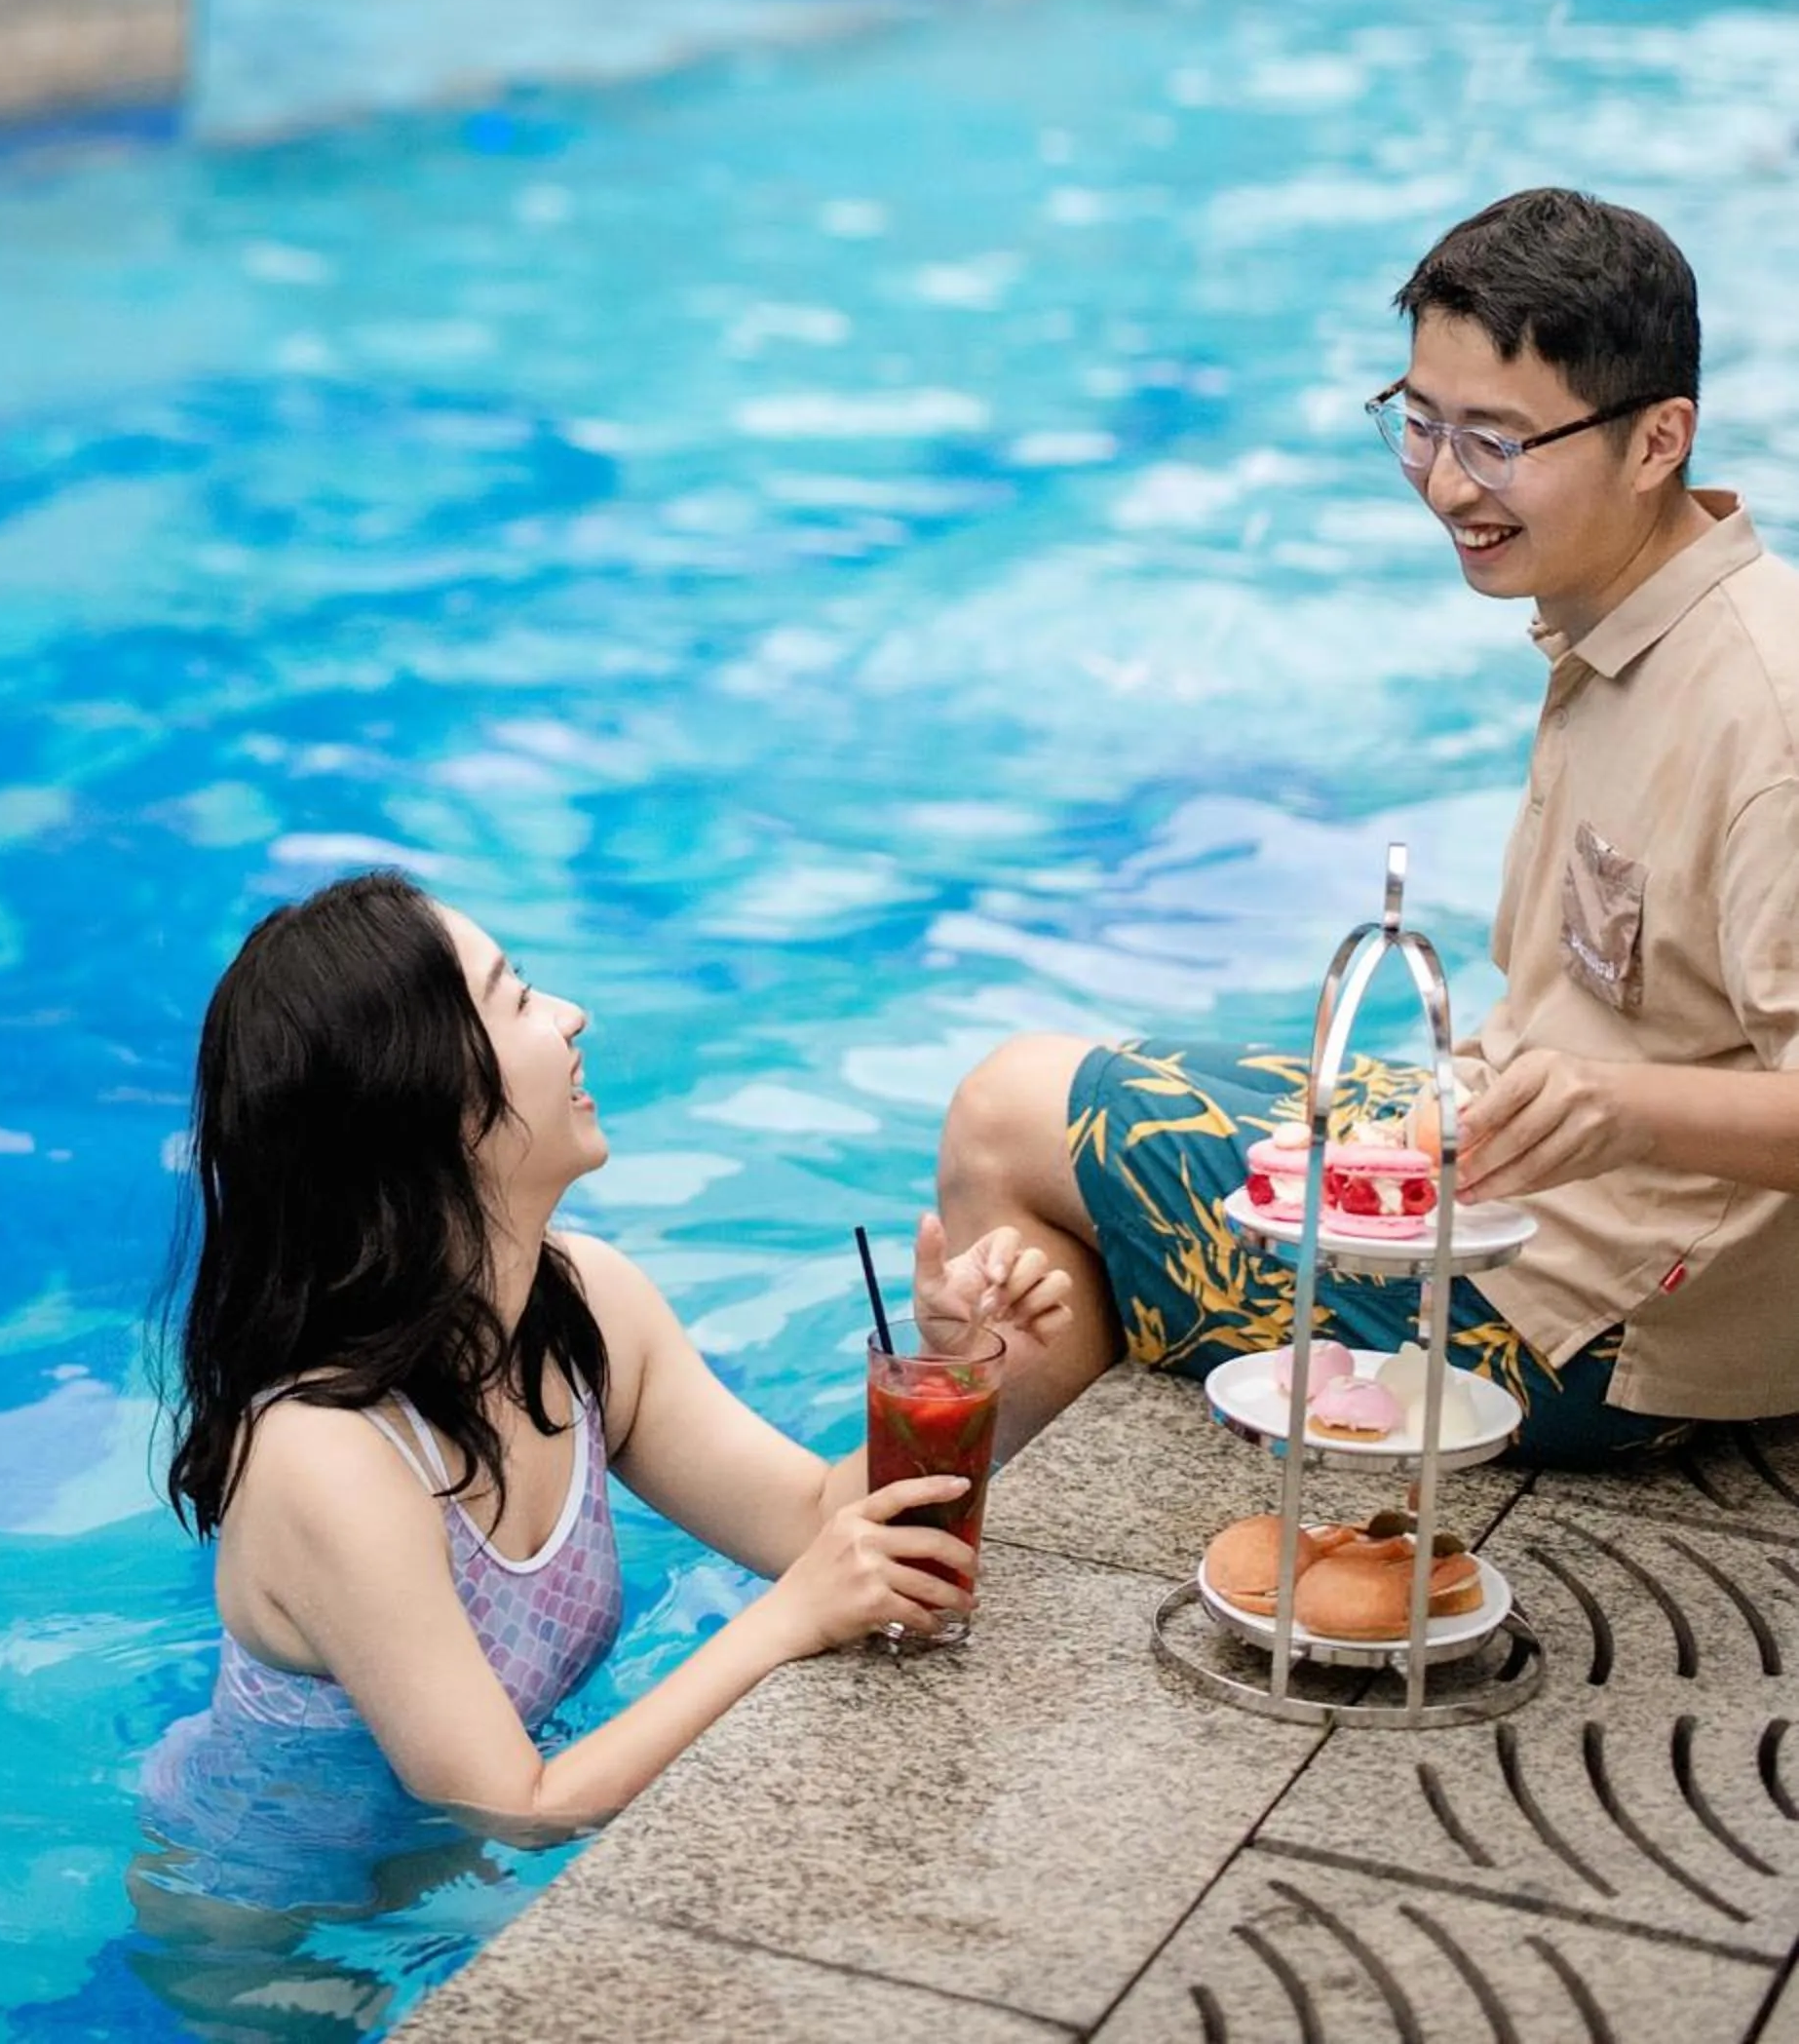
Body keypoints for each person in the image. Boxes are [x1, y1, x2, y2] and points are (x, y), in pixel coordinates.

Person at [938, 188, 1799, 1470]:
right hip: (1537, 1192)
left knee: (1001, 1125)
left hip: (1599, 1324)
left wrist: (1629, 1112)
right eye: (1420, 423)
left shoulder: (1762, 715)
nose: (1447, 483)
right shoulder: (1622, 620)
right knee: (1087, 1113)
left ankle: (931, 1564)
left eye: (1497, 441)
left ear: (1659, 437)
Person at [136, 868, 1067, 1928]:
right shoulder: (328, 1456)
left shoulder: (587, 1310)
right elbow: (512, 1808)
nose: (570, 1016)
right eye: (517, 997)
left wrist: (948, 1373)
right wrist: (787, 1620)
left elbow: (812, 1521)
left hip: (446, 1893)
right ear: (426, 1101)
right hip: (268, 1920)